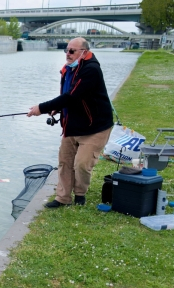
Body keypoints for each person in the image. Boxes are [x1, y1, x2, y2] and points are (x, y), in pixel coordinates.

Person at [26, 37, 113, 208]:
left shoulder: (91, 70)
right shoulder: (68, 70)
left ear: (84, 52)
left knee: (81, 164)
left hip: (94, 127)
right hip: (72, 126)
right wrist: (57, 109)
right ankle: (63, 198)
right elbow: (68, 97)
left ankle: (80, 194)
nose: (68, 54)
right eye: (66, 50)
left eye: (72, 51)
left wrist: (41, 108)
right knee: (65, 162)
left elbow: (72, 96)